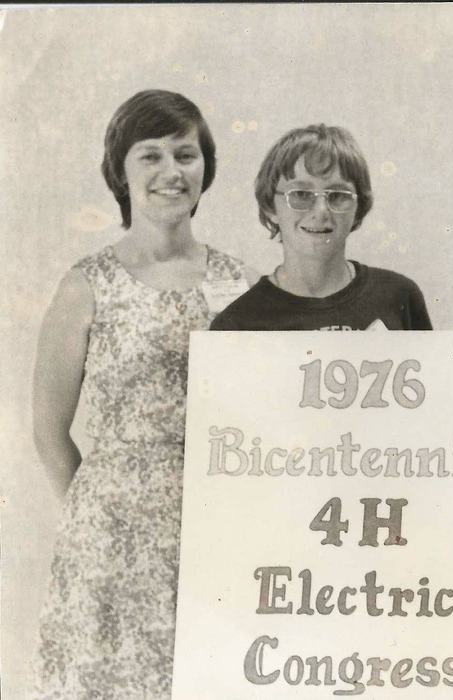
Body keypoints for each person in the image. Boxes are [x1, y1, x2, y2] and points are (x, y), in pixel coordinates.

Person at [31, 89, 254, 698]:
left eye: (186, 154)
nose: (170, 172)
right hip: (111, 542)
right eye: (150, 156)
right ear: (120, 172)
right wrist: (98, 521)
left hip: (218, 526)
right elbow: (49, 433)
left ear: (205, 169)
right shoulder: (87, 285)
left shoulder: (239, 282)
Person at [210, 124, 431, 331]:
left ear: (358, 208)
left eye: (338, 196)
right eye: (300, 195)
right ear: (271, 207)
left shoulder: (399, 296)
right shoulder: (237, 324)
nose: (321, 210)